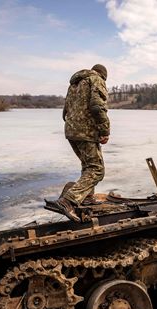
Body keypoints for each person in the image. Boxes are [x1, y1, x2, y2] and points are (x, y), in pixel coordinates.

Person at [53, 64, 110, 222]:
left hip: (71, 130)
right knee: (97, 170)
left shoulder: (75, 83)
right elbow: (97, 106)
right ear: (103, 75)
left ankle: (87, 197)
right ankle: (68, 200)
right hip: (86, 131)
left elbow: (65, 111)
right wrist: (105, 131)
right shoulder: (96, 79)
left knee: (87, 165)